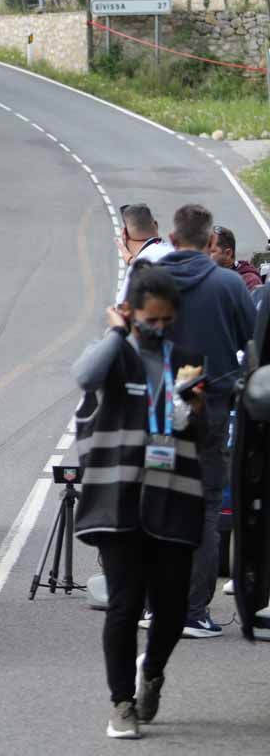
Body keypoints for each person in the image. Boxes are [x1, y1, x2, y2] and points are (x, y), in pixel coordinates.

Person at [74, 261, 207, 740]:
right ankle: (121, 704)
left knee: (171, 609)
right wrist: (115, 334)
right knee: (124, 606)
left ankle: (151, 671)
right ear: (129, 310)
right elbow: (84, 378)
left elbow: (201, 432)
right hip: (119, 496)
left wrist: (193, 411)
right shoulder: (113, 355)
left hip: (173, 496)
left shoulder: (187, 358)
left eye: (168, 320)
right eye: (152, 318)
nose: (160, 327)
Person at [159, 204, 256, 638]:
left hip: (160, 414)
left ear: (174, 239)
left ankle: (155, 605)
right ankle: (194, 611)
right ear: (209, 243)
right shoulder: (229, 284)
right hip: (211, 409)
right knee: (206, 508)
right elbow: (251, 344)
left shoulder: (149, 282)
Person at [115, 203, 174, 304]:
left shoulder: (137, 269)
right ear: (156, 225)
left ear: (124, 234)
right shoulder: (174, 251)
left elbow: (121, 307)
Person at [210, 224, 263, 291]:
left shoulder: (249, 281)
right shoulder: (204, 276)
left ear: (228, 253)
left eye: (211, 251)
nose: (204, 255)